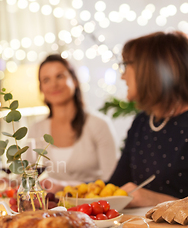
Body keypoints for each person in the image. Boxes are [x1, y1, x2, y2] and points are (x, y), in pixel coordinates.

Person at [109, 31, 188, 207]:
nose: (122, 76)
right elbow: (114, 186)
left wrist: (154, 200)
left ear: (149, 69)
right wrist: (69, 191)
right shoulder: (142, 122)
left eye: (126, 65)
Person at [29, 54, 119, 191]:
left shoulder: (99, 125)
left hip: (91, 208)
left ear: (75, 81)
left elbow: (113, 183)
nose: (54, 84)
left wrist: (66, 187)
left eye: (60, 76)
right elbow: (26, 177)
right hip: (52, 210)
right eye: (46, 80)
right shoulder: (36, 129)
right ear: (41, 88)